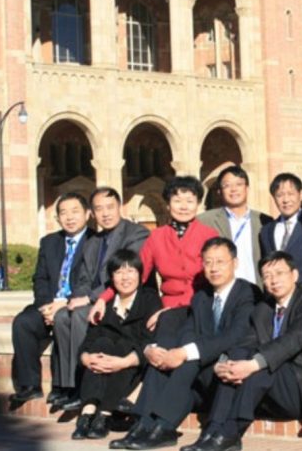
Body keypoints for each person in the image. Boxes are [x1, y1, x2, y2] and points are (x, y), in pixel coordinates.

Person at [108, 237, 259, 450]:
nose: (214, 268)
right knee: (164, 360)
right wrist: (168, 354)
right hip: (201, 371)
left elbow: (235, 335)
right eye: (208, 262)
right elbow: (190, 329)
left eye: (220, 262)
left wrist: (185, 353)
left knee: (187, 359)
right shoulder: (201, 296)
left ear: (234, 263)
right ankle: (144, 424)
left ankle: (164, 426)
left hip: (228, 368)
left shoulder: (248, 293)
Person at [183, 251, 302, 451]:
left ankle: (231, 432)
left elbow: (294, 339)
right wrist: (224, 364)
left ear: (294, 275)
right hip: (266, 393)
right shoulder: (263, 309)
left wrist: (254, 364)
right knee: (237, 361)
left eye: (279, 273)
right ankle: (213, 429)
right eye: (267, 276)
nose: (273, 280)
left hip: (295, 388)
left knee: (261, 367)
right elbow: (246, 341)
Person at [52, 187, 150, 411]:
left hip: (123, 298)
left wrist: (89, 298)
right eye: (99, 209)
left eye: (110, 207)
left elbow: (127, 276)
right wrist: (78, 298)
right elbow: (84, 278)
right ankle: (68, 385)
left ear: (119, 207)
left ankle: (82, 388)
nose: (105, 213)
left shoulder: (136, 234)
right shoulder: (94, 240)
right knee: (62, 317)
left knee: (80, 315)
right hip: (94, 297)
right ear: (93, 213)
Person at [88, 177, 217, 335]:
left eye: (190, 201)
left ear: (198, 204)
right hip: (167, 306)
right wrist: (103, 298)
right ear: (168, 204)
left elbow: (216, 279)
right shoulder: (156, 237)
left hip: (202, 304)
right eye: (177, 201)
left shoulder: (210, 235)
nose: (184, 207)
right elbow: (137, 274)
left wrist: (176, 309)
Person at [10, 192, 93, 404]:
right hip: (49, 304)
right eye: (63, 213)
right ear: (57, 218)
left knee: (64, 321)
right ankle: (30, 385)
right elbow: (40, 278)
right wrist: (47, 306)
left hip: (74, 304)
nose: (69, 217)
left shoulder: (96, 241)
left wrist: (63, 304)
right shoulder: (49, 242)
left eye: (75, 211)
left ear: (87, 214)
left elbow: (90, 281)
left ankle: (61, 386)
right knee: (22, 323)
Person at [72, 249, 162, 440]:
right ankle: (87, 413)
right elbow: (88, 341)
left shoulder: (150, 299)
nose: (125, 277)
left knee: (123, 346)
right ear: (112, 277)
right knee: (101, 343)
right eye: (119, 272)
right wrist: (87, 358)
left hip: (132, 369)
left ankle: (104, 414)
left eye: (131, 271)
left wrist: (123, 362)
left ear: (140, 275)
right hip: (102, 367)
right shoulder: (104, 305)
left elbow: (149, 342)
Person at [198, 165, 273, 287]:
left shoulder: (264, 221)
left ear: (247, 188)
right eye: (227, 185)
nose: (233, 189)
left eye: (239, 184)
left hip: (256, 290)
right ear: (219, 191)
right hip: (221, 290)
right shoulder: (205, 221)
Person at [259, 173, 302, 284]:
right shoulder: (266, 231)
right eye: (279, 195)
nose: (286, 200)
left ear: (301, 195)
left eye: (291, 194)